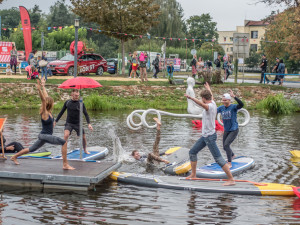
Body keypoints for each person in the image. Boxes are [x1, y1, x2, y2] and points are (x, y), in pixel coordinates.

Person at [10, 79, 74, 170]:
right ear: (50, 104)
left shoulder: (49, 111)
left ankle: (14, 156)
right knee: (64, 142)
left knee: (31, 149)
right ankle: (65, 164)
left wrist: (43, 86)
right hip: (44, 135)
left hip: (43, 136)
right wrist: (39, 89)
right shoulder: (45, 113)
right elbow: (44, 100)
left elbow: (46, 97)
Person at [184, 82, 235, 186]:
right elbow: (210, 97)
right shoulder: (213, 103)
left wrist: (191, 98)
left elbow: (202, 104)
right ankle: (193, 174)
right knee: (192, 152)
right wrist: (208, 88)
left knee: (218, 159)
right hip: (205, 136)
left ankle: (231, 179)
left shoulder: (209, 107)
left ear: (203, 98)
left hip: (209, 137)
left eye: (202, 98)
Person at [54, 89, 93, 154]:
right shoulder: (67, 102)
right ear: (72, 94)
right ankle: (63, 151)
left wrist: (89, 124)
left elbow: (86, 114)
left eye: (78, 95)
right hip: (69, 123)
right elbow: (61, 112)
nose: (77, 96)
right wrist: (56, 121)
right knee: (66, 135)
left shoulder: (81, 103)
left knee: (83, 137)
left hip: (78, 123)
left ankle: (85, 150)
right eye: (75, 95)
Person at [217, 90, 244, 168]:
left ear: (229, 100)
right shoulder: (221, 108)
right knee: (224, 147)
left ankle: (229, 162)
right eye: (223, 100)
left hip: (234, 129)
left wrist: (234, 96)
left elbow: (241, 104)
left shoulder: (233, 107)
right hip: (226, 129)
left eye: (225, 100)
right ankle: (233, 155)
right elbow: (212, 110)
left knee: (226, 145)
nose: (223, 101)